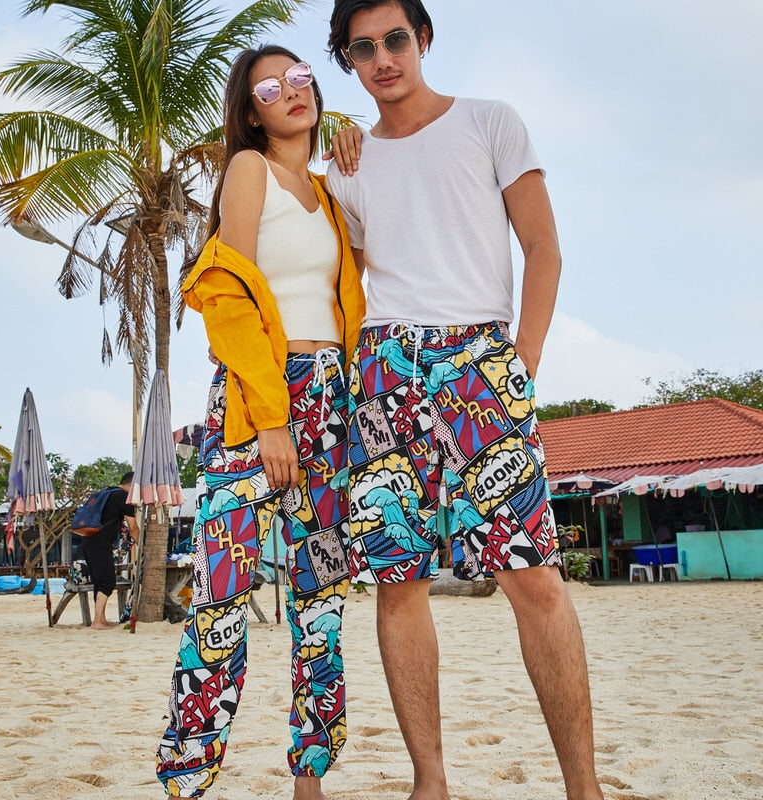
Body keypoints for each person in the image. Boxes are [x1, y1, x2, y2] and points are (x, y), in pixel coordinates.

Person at [324, 2, 604, 799]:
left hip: (480, 358)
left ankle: (583, 787)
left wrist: (523, 360)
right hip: (384, 368)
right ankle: (431, 781)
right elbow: (356, 264)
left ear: (424, 40)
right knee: (398, 580)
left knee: (534, 577)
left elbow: (543, 246)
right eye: (363, 48)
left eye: (396, 40)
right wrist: (336, 145)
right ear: (348, 60)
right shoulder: (348, 162)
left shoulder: (490, 121)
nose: (383, 59)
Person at [155, 46, 365, 800]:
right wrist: (272, 416)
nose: (293, 93)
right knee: (221, 601)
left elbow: (351, 288)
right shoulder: (249, 172)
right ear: (252, 111)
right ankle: (188, 781)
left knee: (323, 601)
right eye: (271, 88)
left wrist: (354, 158)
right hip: (256, 399)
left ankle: (311, 780)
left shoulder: (330, 193)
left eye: (302, 77)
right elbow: (230, 294)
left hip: (332, 399)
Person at [78, 471, 138, 630]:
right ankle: (97, 621)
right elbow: (133, 528)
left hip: (88, 540)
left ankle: (101, 619)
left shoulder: (106, 492)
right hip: (99, 543)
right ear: (132, 485)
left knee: (99, 580)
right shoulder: (123, 497)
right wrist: (142, 546)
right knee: (108, 580)